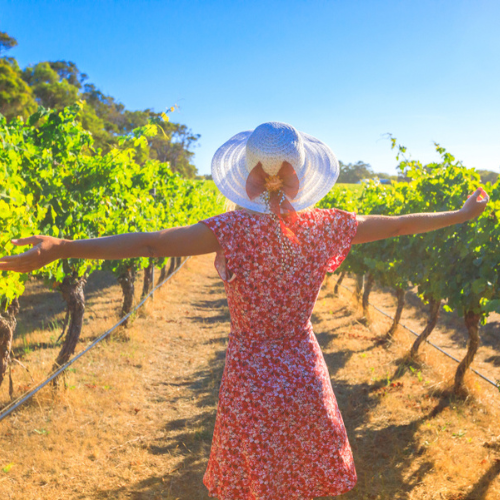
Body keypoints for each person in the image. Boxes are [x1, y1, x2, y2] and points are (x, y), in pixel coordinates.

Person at [0, 122, 489, 499]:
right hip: (302, 367)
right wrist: (462, 214)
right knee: (302, 475)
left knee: (254, 478)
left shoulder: (230, 231)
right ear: (301, 173)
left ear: (248, 173)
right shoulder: (325, 227)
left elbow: (150, 242)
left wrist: (64, 246)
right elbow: (401, 225)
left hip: (250, 371)